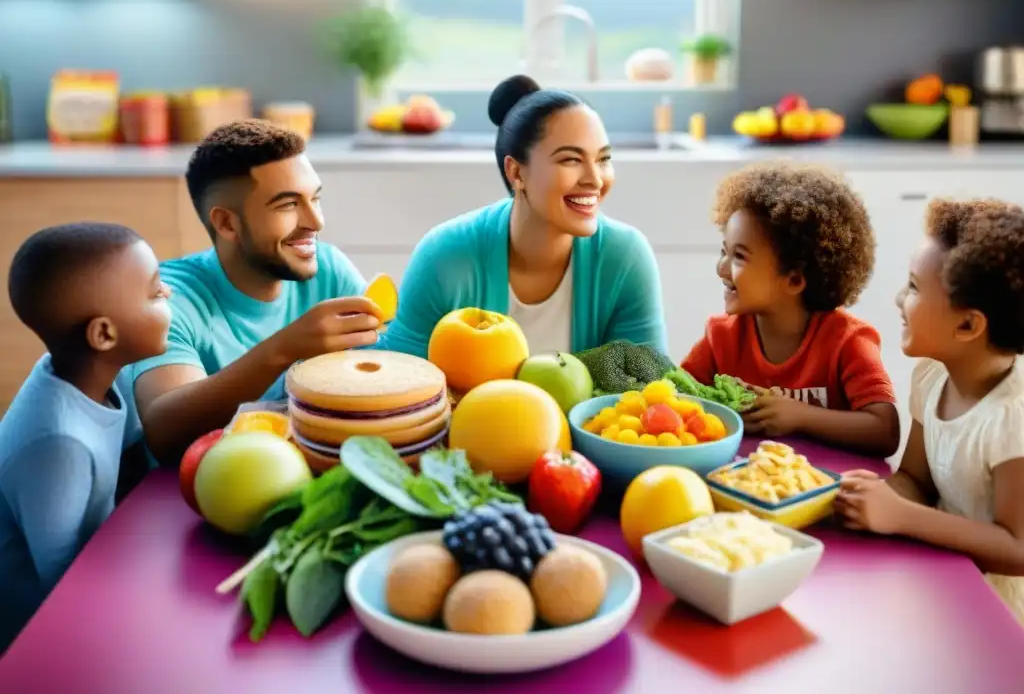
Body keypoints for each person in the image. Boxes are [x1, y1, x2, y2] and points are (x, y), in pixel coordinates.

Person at [130, 120, 383, 466]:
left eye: (315, 199)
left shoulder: (329, 269)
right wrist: (284, 349)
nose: (315, 221)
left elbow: (384, 374)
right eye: (288, 205)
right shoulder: (170, 298)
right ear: (227, 224)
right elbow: (165, 434)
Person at [375, 75, 668, 362]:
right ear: (516, 173)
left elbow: (648, 390)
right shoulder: (445, 257)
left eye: (603, 159)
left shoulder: (626, 258)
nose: (595, 179)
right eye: (571, 160)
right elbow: (400, 377)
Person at [837, 198, 1024, 626]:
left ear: (968, 326)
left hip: (998, 617)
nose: (899, 298)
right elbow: (915, 480)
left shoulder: (1013, 417)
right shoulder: (931, 378)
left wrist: (903, 516)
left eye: (915, 287)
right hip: (940, 583)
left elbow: (1017, 548)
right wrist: (867, 497)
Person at [0, 223, 171, 653]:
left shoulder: (88, 374)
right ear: (104, 335)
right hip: (35, 634)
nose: (167, 295)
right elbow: (62, 580)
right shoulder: (59, 443)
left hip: (99, 571)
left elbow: (133, 445)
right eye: (154, 293)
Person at [680, 161, 899, 457]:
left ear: (794, 279)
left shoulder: (848, 342)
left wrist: (800, 416)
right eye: (724, 251)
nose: (721, 268)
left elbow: (885, 431)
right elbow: (678, 398)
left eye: (739, 256)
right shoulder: (720, 337)